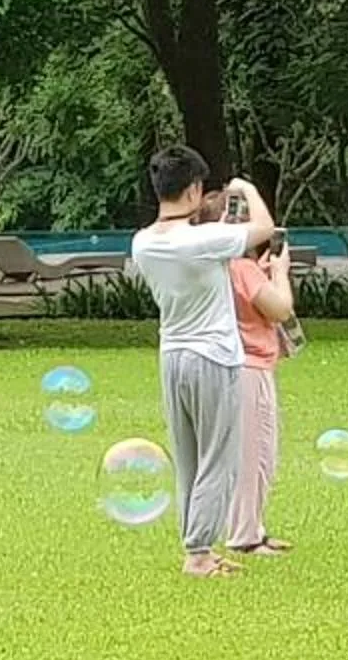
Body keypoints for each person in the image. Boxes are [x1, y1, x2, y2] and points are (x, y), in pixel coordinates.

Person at [128, 146, 276, 577]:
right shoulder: (200, 240)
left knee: (189, 456)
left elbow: (207, 254)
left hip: (172, 355)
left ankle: (196, 546)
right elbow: (264, 228)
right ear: (194, 189)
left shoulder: (143, 243)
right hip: (214, 356)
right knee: (220, 456)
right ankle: (198, 554)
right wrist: (246, 188)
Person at [225, 229, 299, 557]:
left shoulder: (226, 267)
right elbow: (281, 309)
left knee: (258, 454)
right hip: (250, 368)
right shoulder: (243, 267)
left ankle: (253, 528)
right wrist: (280, 274)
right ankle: (245, 536)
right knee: (255, 456)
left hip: (244, 367)